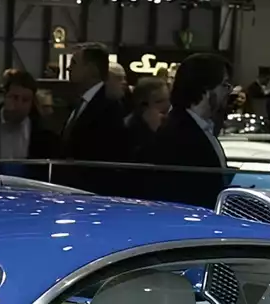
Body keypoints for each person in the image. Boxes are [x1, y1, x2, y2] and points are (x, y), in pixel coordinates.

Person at [147, 53, 234, 209]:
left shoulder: (201, 127)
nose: (229, 91)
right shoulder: (177, 134)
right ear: (206, 89)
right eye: (224, 85)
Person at [58, 43, 131, 195]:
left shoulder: (108, 107)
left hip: (90, 193)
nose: (68, 68)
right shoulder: (81, 103)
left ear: (91, 69)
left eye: (74, 63)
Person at [114, 75, 170, 198]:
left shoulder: (170, 124)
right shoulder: (128, 128)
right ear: (142, 105)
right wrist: (154, 132)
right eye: (159, 101)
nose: (167, 106)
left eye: (168, 100)